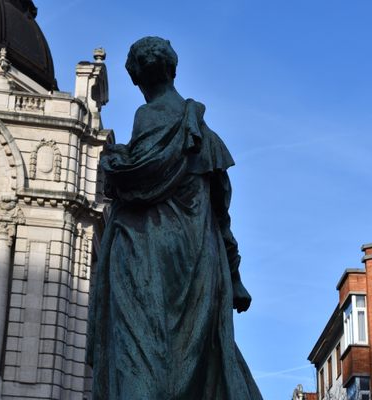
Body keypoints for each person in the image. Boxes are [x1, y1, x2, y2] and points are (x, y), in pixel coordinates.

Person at [87, 36, 263, 400]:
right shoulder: (204, 136)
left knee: (137, 352)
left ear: (136, 78)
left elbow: (131, 177)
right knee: (200, 359)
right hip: (194, 257)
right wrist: (235, 277)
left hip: (139, 251)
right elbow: (222, 215)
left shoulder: (144, 121)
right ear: (173, 69)